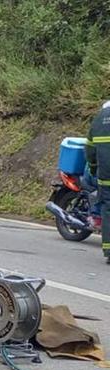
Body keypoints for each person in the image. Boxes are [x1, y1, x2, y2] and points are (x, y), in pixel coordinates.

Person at [84, 100, 110, 263]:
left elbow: (90, 149)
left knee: (108, 211)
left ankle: (108, 250)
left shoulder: (98, 119)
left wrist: (93, 168)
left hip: (105, 177)